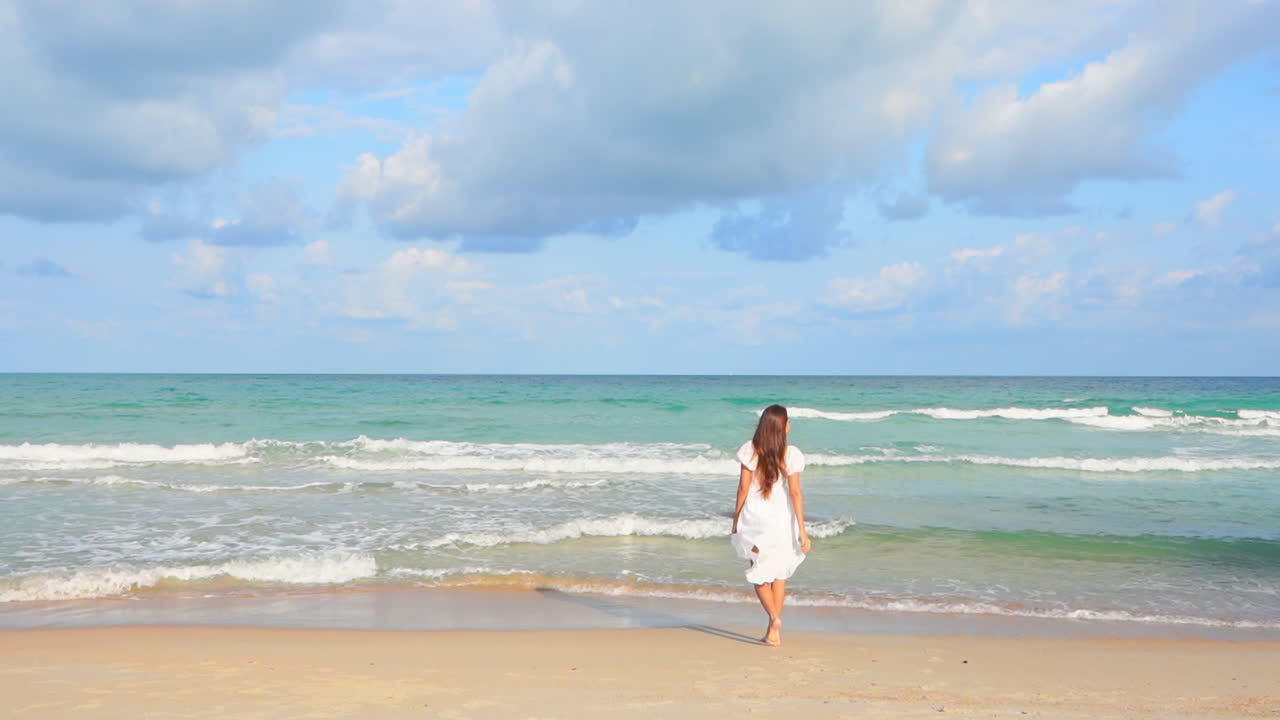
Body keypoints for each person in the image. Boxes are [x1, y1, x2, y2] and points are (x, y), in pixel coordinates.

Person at [731, 404, 811, 646]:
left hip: (755, 517)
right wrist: (803, 531)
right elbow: (796, 493)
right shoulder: (791, 454)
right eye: (788, 421)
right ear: (782, 427)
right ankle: (774, 626)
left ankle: (774, 621)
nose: (791, 425)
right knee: (778, 573)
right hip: (781, 517)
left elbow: (744, 488)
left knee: (758, 569)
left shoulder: (750, 450)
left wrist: (736, 520)